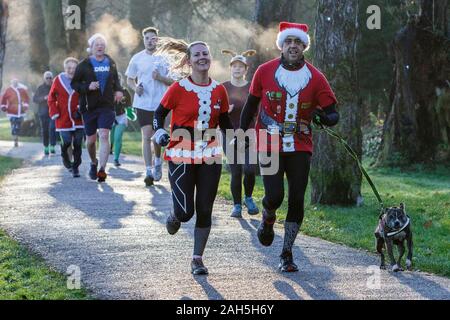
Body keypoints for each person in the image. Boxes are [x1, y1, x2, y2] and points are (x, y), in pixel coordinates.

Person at [239, 22, 340, 272]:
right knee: (275, 196)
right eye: (288, 42)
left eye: (298, 42)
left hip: (300, 143)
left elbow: (333, 114)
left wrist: (323, 118)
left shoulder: (316, 77)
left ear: (304, 46)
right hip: (269, 141)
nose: (293, 46)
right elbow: (250, 107)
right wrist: (242, 135)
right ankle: (268, 216)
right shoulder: (264, 71)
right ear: (281, 46)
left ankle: (287, 253)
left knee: (296, 197)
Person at [152, 39, 233, 275]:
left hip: (210, 154)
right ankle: (175, 214)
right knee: (186, 212)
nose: (202, 58)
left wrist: (236, 139)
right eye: (196, 54)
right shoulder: (178, 88)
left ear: (210, 58)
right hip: (181, 152)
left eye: (205, 54)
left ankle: (197, 259)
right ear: (189, 61)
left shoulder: (219, 90)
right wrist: (159, 131)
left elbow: (225, 121)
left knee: (205, 207)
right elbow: (159, 113)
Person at [71, 33, 123, 182]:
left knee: (104, 135)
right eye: (97, 44)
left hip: (107, 106)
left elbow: (116, 80)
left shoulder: (110, 62)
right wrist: (88, 86)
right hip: (89, 107)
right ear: (91, 47)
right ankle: (94, 162)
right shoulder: (84, 64)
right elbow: (74, 84)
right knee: (91, 140)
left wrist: (118, 90)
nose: (100, 46)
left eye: (102, 43)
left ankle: (102, 169)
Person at [126, 27, 174, 186]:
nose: (150, 41)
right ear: (143, 39)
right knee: (147, 136)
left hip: (160, 104)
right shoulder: (137, 58)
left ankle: (158, 161)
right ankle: (148, 171)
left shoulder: (165, 58)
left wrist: (160, 77)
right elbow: (129, 79)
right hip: (142, 103)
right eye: (147, 38)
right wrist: (135, 88)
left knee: (157, 136)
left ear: (157, 40)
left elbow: (173, 82)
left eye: (153, 38)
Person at [221, 49, 259, 218]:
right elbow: (215, 111)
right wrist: (224, 111)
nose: (237, 69)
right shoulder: (223, 87)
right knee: (236, 171)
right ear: (230, 68)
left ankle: (248, 198)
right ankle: (237, 205)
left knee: (250, 169)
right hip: (229, 133)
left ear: (246, 69)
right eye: (234, 66)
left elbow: (258, 110)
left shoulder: (252, 87)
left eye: (240, 66)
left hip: (249, 133)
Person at [48, 57, 84, 178]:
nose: (71, 70)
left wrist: (81, 107)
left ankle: (76, 167)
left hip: (79, 118)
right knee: (67, 142)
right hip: (63, 118)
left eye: (74, 68)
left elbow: (86, 96)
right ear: (65, 68)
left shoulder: (81, 79)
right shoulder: (58, 80)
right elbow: (51, 97)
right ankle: (66, 160)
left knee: (78, 143)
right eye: (69, 68)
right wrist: (54, 111)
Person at [110, 73, 132, 167]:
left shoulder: (125, 92)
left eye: (118, 79)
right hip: (109, 116)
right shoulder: (107, 91)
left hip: (122, 116)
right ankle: (110, 147)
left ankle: (116, 159)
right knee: (111, 137)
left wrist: (130, 116)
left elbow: (129, 106)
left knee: (118, 137)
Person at [33, 71, 58, 155]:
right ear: (44, 79)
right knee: (45, 130)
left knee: (52, 128)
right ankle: (46, 147)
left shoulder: (55, 86)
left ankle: (52, 146)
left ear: (52, 78)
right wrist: (44, 98)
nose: (48, 79)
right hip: (43, 112)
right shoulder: (40, 88)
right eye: (47, 78)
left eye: (50, 77)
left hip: (53, 112)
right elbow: (35, 99)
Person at [1, 78, 30, 147]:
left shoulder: (22, 90)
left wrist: (25, 105)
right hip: (12, 111)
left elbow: (26, 98)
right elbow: (4, 99)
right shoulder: (8, 90)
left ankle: (16, 137)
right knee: (13, 125)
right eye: (13, 82)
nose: (15, 83)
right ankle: (15, 140)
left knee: (18, 126)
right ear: (11, 83)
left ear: (18, 82)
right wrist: (3, 106)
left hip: (21, 110)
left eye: (16, 82)